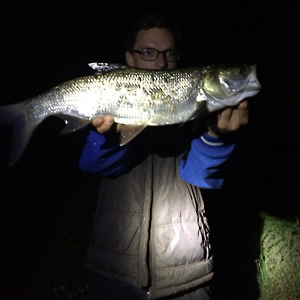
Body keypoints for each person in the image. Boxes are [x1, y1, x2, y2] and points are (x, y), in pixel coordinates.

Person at [79, 12, 249, 300]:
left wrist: (216, 136)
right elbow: (96, 166)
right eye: (148, 52)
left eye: (169, 53)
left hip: (185, 272)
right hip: (115, 266)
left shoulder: (193, 113)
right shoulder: (112, 96)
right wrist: (104, 137)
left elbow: (201, 176)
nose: (160, 62)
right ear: (129, 59)